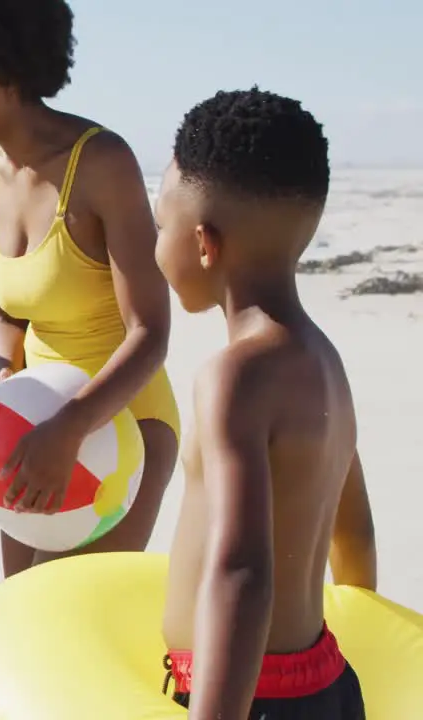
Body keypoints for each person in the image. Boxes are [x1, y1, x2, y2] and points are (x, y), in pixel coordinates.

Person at [0, 0, 180, 575]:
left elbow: (151, 332)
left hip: (119, 421)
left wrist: (70, 425)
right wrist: (4, 396)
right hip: (35, 426)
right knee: (22, 613)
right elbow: (5, 318)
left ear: (11, 67)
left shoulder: (102, 163)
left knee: (69, 621)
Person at [154, 87, 376, 719]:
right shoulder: (323, 363)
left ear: (203, 244)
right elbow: (353, 533)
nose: (153, 247)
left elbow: (240, 573)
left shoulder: (235, 378)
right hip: (325, 684)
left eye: (159, 227)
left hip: (252, 698)